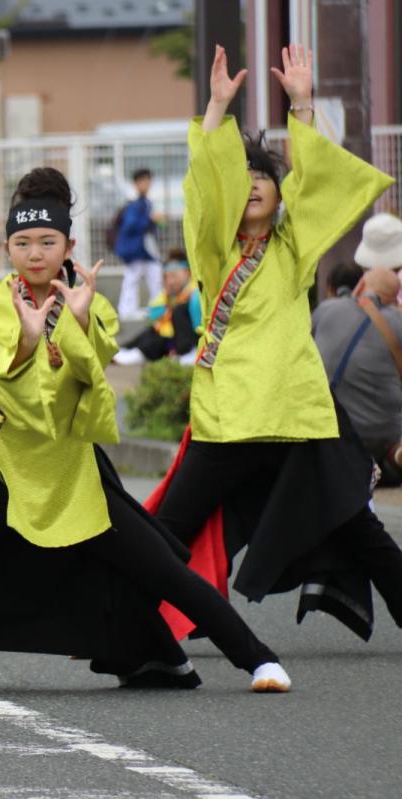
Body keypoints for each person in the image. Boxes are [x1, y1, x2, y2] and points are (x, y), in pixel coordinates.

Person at [0, 165, 291, 695]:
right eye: (23, 243)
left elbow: (92, 380)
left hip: (71, 468)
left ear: (69, 246)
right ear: (7, 250)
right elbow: (14, 388)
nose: (35, 253)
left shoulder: (90, 304)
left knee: (163, 568)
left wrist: (74, 324)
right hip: (3, 462)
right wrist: (29, 342)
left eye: (47, 242)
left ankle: (257, 658)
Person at [148, 45, 402, 644]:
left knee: (356, 524)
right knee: (165, 531)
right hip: (230, 416)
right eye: (245, 177)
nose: (255, 186)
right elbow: (205, 188)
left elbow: (316, 186)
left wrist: (303, 104)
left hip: (294, 413)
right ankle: (137, 636)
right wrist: (215, 109)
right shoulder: (214, 249)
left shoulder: (293, 248)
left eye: (265, 177)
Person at [313, 267, 402, 487]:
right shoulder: (397, 322)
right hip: (382, 435)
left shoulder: (326, 310)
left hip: (330, 429)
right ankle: (395, 455)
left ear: (360, 286)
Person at [113, 248, 202, 365]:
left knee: (171, 321)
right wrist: (168, 298)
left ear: (187, 273)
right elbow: (153, 312)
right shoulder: (173, 294)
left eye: (174, 276)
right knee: (153, 329)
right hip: (175, 339)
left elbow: (199, 326)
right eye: (166, 277)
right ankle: (127, 349)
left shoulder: (195, 293)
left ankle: (138, 354)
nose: (170, 281)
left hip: (192, 342)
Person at [113, 168, 165, 320]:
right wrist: (150, 220)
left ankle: (156, 308)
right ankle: (128, 310)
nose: (146, 183)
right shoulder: (136, 205)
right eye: (142, 180)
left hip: (142, 249)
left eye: (148, 180)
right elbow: (130, 225)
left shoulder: (145, 203)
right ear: (136, 183)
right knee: (134, 277)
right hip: (137, 249)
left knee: (152, 276)